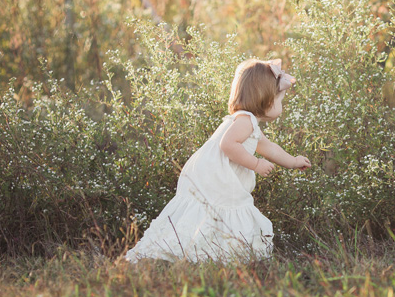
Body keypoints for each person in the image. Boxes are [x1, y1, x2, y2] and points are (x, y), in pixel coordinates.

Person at [126, 55, 308, 268]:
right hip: (218, 179)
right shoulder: (246, 121)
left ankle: (197, 256)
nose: (280, 105)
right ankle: (211, 257)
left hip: (207, 177)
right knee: (224, 213)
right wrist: (256, 164)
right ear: (266, 99)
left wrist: (293, 161)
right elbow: (228, 145)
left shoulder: (245, 121)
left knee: (207, 216)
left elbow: (269, 148)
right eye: (279, 99)